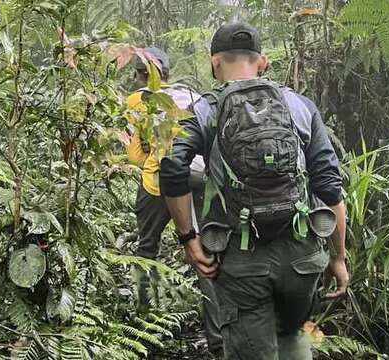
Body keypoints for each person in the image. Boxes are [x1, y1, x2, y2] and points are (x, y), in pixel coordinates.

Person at [159, 23, 349, 360]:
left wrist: (189, 239)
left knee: (251, 345)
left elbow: (173, 168)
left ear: (215, 62)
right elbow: (329, 185)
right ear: (261, 62)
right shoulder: (299, 106)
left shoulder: (206, 110)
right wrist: (337, 256)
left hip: (240, 257)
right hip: (301, 256)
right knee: (290, 335)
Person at [124, 47, 223, 356]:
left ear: (139, 75)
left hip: (158, 184)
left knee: (147, 250)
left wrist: (151, 154)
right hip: (198, 178)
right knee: (204, 255)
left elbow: (134, 155)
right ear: (167, 73)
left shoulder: (136, 101)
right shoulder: (186, 96)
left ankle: (144, 324)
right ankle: (218, 338)